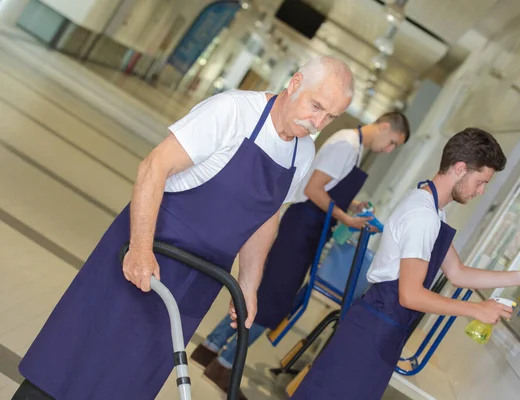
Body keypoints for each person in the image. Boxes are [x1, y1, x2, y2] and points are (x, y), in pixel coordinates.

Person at [12, 55, 355, 400]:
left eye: (330, 117)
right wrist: (140, 249)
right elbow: (154, 167)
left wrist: (249, 286)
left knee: (129, 378)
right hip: (148, 254)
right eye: (316, 106)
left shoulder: (303, 154)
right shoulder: (233, 112)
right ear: (294, 83)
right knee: (75, 358)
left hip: (198, 283)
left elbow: (267, 218)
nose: (318, 122)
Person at [290, 127, 520, 400]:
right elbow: (410, 294)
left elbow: (458, 273)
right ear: (459, 168)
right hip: (373, 332)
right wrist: (475, 309)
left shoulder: (431, 208)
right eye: (481, 181)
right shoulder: (423, 216)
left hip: (383, 330)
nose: (481, 191)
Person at [189, 112, 411, 397]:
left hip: (309, 224)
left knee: (269, 291)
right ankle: (225, 362)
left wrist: (351, 205)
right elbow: (313, 189)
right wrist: (346, 218)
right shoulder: (346, 145)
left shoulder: (354, 149)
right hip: (304, 224)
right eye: (392, 142)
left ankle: (209, 349)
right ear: (383, 127)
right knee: (274, 299)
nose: (389, 150)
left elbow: (327, 187)